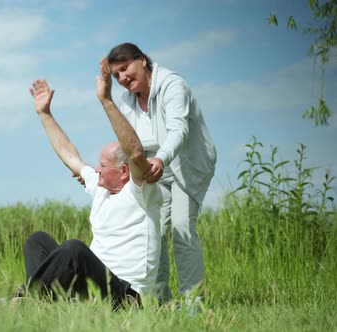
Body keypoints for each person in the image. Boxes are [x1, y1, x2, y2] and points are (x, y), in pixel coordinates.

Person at [16, 79, 162, 308]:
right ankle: (41, 303)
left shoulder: (141, 193)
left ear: (124, 172)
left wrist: (106, 100)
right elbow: (70, 156)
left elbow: (134, 152)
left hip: (125, 296)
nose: (96, 169)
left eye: (103, 165)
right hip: (92, 289)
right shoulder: (101, 188)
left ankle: (27, 299)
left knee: (74, 249)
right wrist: (44, 114)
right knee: (37, 241)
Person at [100, 42, 217, 303]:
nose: (122, 78)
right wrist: (105, 171)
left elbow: (179, 131)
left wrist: (162, 158)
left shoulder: (172, 86)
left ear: (142, 60)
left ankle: (193, 302)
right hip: (156, 170)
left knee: (182, 226)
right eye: (116, 74)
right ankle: (161, 300)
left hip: (188, 165)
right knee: (153, 227)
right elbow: (130, 142)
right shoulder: (128, 100)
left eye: (125, 68)